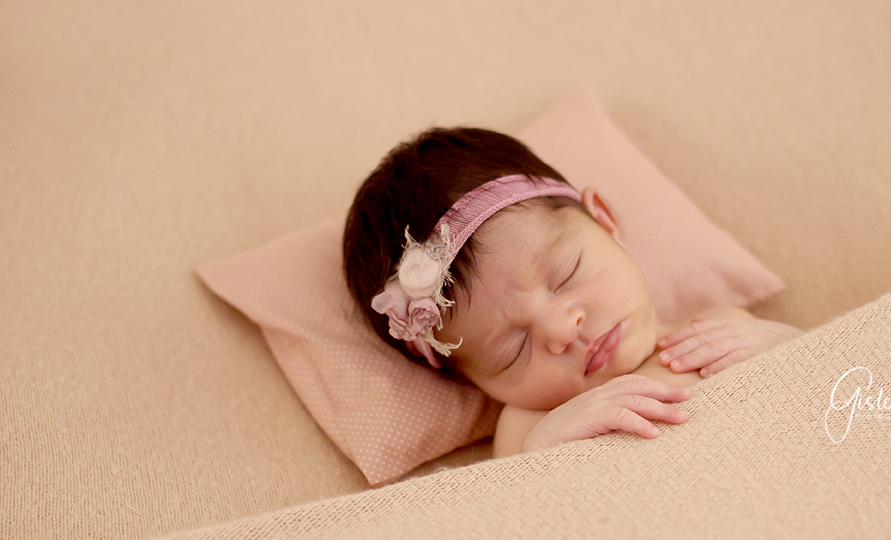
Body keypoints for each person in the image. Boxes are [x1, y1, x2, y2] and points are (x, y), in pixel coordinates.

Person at [344, 127, 803, 457]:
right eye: (513, 349)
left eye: (566, 275)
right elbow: (516, 503)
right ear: (472, 381)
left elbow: (826, 383)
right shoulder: (528, 428)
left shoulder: (717, 325)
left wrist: (780, 345)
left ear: (604, 221)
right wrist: (550, 445)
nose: (564, 329)